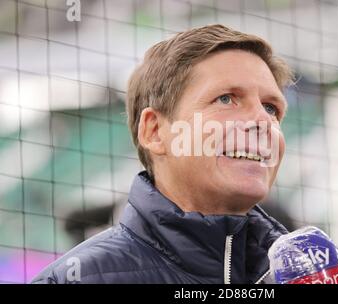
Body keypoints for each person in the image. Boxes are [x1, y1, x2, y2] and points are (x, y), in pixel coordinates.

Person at [32, 24, 293, 284]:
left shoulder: (305, 273)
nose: (263, 120)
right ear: (155, 131)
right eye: (226, 99)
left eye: (271, 108)